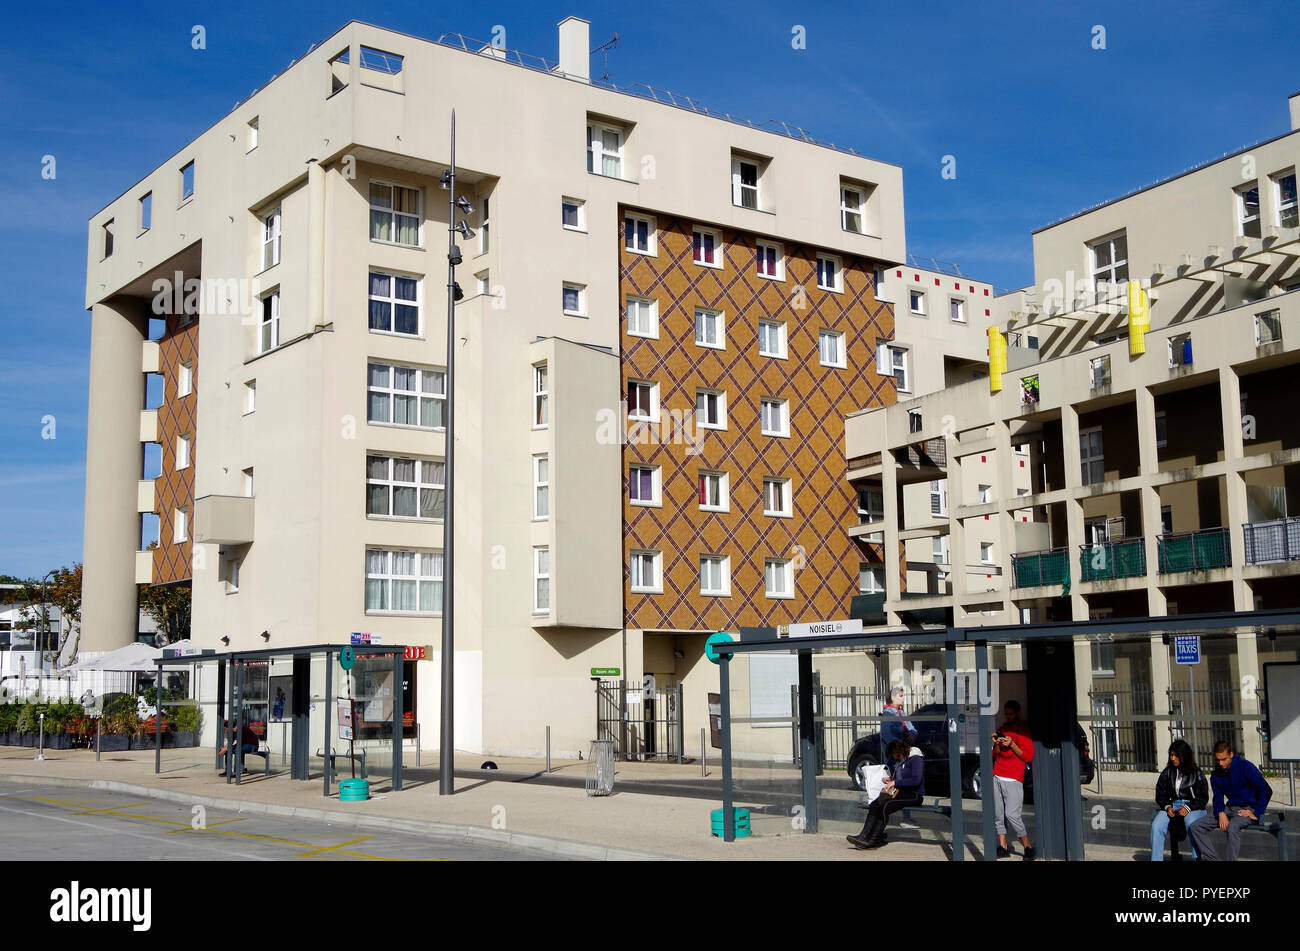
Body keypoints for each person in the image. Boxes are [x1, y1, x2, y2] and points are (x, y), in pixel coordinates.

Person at [1188, 740, 1272, 861]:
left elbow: (1264, 789)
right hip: (1229, 808)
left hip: (1248, 808)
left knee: (1232, 826)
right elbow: (1217, 797)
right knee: (1196, 826)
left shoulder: (1245, 766)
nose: (1220, 763)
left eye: (1224, 759)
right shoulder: (1216, 774)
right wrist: (1221, 812)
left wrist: (1257, 812)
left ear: (1231, 754)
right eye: (1218, 760)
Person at [846, 739, 924, 850]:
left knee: (885, 806)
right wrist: (890, 780)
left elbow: (916, 780)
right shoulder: (901, 761)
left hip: (913, 794)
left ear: (898, 752)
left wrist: (895, 782)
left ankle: (873, 840)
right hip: (899, 791)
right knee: (875, 804)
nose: (893, 758)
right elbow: (900, 779)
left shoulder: (915, 758)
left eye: (893, 755)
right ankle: (863, 836)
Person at [1151, 739, 1209, 861]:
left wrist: (1188, 807)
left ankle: (1196, 857)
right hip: (1173, 805)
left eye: (1176, 755)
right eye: (1171, 755)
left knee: (1191, 823)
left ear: (1184, 756)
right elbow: (1160, 793)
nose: (1172, 758)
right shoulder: (1168, 772)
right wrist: (1167, 807)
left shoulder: (1197, 773)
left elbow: (1203, 798)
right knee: (1157, 826)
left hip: (1194, 807)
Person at [992, 699, 1035, 860]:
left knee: (1012, 814)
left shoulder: (1023, 730)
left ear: (1018, 713)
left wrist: (1011, 744)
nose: (1008, 717)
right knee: (998, 814)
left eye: (1010, 714)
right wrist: (996, 743)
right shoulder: (1003, 729)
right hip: (998, 773)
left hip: (1014, 777)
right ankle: (1002, 846)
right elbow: (995, 754)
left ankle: (1027, 846)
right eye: (1006, 714)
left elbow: (1028, 756)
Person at [880, 686, 916, 752]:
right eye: (901, 696)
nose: (903, 698)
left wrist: (912, 734)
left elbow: (911, 727)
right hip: (894, 752)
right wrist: (900, 744)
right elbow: (886, 734)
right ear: (893, 698)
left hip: (905, 749)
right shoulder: (888, 713)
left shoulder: (902, 713)